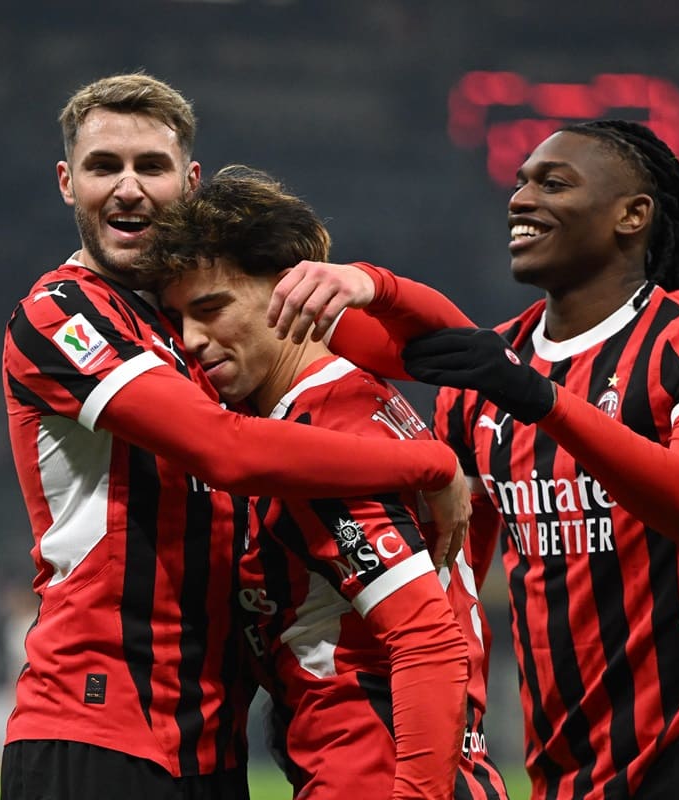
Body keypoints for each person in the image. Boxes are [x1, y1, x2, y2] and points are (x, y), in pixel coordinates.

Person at [271, 120, 679, 800]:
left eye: (554, 183)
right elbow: (452, 583)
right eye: (519, 182)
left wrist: (540, 398)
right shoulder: (488, 377)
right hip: (564, 769)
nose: (520, 198)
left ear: (632, 215)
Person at [0, 73, 470, 800]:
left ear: (188, 182)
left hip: (212, 745)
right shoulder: (61, 312)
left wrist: (367, 281)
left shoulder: (208, 316)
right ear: (68, 183)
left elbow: (449, 349)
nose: (128, 187)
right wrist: (431, 463)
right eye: (104, 167)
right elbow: (227, 449)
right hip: (97, 724)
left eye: (149, 166)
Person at [144, 165, 512, 800]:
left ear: (290, 291)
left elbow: (428, 642)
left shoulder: (326, 434)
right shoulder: (366, 398)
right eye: (179, 320)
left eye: (211, 309)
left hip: (375, 776)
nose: (194, 342)